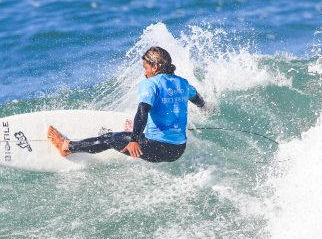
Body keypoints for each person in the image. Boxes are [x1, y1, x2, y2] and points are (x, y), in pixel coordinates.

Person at [47, 46, 205, 163]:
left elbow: (142, 112)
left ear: (155, 67)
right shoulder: (183, 83)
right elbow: (196, 97)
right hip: (178, 150)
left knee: (109, 138)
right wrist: (204, 107)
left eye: (146, 68)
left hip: (156, 148)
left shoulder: (151, 83)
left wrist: (134, 140)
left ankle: (67, 147)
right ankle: (138, 135)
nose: (145, 73)